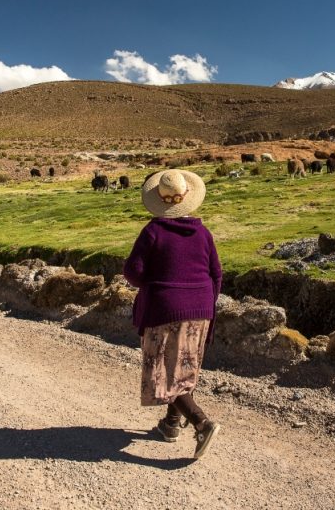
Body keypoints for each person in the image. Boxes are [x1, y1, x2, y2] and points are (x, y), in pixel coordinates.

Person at [123, 169, 222, 459]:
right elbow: (216, 273)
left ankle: (201, 423)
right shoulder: (203, 232)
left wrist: (157, 285)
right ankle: (170, 424)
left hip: (165, 308)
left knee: (165, 371)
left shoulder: (153, 231)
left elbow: (133, 272)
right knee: (183, 366)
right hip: (201, 307)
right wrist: (204, 302)